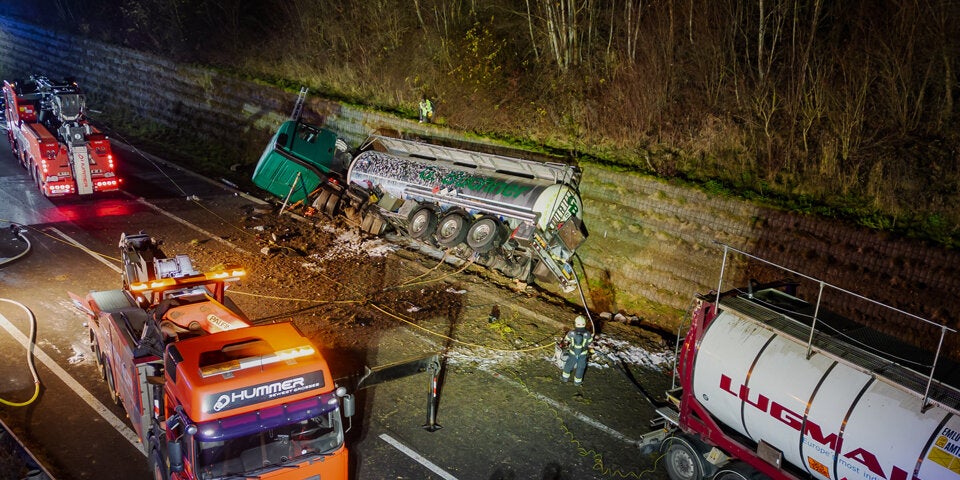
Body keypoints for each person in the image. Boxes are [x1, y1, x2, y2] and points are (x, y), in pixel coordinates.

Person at [561, 315, 594, 386]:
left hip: (573, 353)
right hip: (583, 354)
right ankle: (577, 382)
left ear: (575, 324)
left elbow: (566, 340)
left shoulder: (571, 332)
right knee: (581, 367)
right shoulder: (587, 333)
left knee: (569, 365)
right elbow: (590, 342)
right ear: (585, 324)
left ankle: (564, 378)